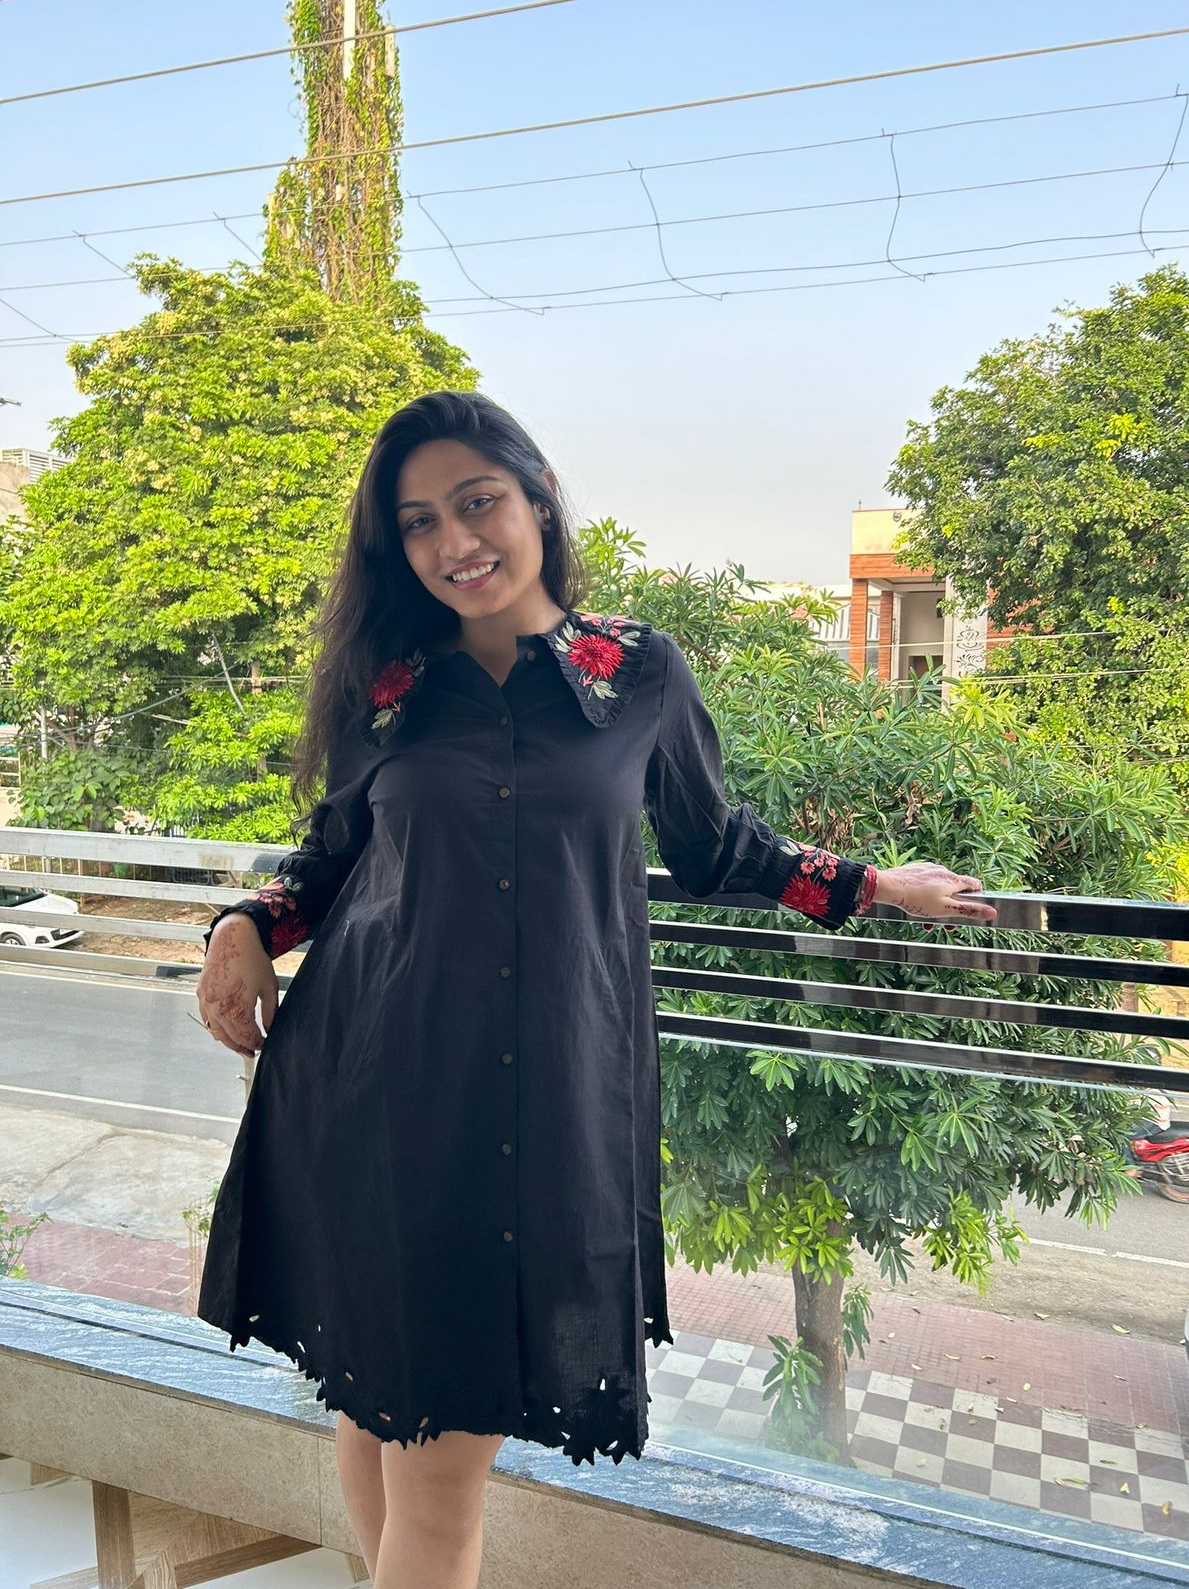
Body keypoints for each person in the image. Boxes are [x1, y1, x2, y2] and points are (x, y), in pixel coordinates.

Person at [194, 390, 998, 1589]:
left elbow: (717, 846)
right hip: (368, 1090)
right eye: (419, 522)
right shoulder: (388, 685)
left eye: (478, 502)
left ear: (537, 499)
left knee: (424, 1440)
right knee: (385, 1415)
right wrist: (241, 924)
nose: (456, 540)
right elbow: (331, 863)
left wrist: (876, 885)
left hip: (543, 1103)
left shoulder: (639, 673)